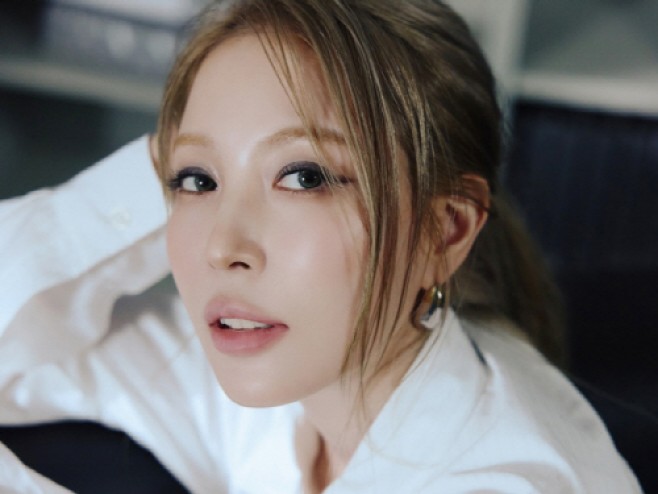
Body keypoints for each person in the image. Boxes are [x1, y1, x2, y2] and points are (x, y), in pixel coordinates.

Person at [0, 0, 642, 492]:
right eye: (195, 180)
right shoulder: (292, 379)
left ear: (442, 230)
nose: (223, 246)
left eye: (304, 177)